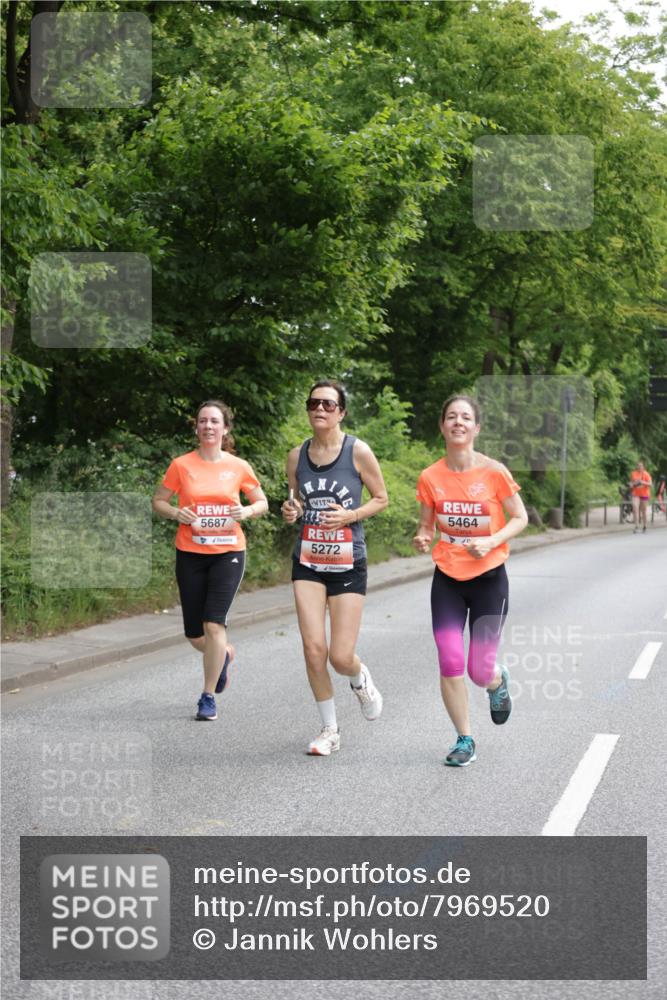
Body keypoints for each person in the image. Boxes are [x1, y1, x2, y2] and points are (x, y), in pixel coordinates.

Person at [413, 394, 528, 767]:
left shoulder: (494, 472)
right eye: (451, 416)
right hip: (447, 578)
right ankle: (464, 739)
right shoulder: (430, 477)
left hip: (489, 580)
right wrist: (422, 537)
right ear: (442, 426)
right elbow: (426, 525)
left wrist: (492, 541)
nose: (458, 422)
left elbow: (520, 517)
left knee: (479, 671)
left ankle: (496, 681)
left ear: (476, 428)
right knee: (450, 660)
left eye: (465, 417)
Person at [281, 380, 388, 756]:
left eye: (328, 404)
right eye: (314, 403)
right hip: (308, 560)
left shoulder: (358, 451)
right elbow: (295, 502)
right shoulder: (296, 456)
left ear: (341, 412)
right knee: (314, 649)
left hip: (347, 561)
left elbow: (381, 498)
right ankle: (329, 730)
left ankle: (359, 679)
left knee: (340, 656)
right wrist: (291, 510)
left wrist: (350, 515)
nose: (320, 409)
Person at [153, 400, 268, 720]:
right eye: (202, 421)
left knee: (214, 623)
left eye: (214, 421)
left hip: (228, 553)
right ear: (196, 427)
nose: (208, 426)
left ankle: (207, 697)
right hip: (190, 553)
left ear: (225, 428)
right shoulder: (181, 465)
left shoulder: (238, 466)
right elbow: (159, 501)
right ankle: (223, 655)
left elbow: (262, 502)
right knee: (195, 635)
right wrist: (177, 513)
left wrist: (246, 510)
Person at [628, 460, 652, 533]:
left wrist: (642, 482)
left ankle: (644, 526)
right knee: (635, 507)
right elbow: (631, 482)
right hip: (635, 493)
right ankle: (636, 526)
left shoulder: (646, 474)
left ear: (643, 467)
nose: (639, 467)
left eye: (641, 466)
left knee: (643, 511)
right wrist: (631, 485)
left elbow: (650, 484)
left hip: (644, 494)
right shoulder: (633, 473)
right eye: (638, 465)